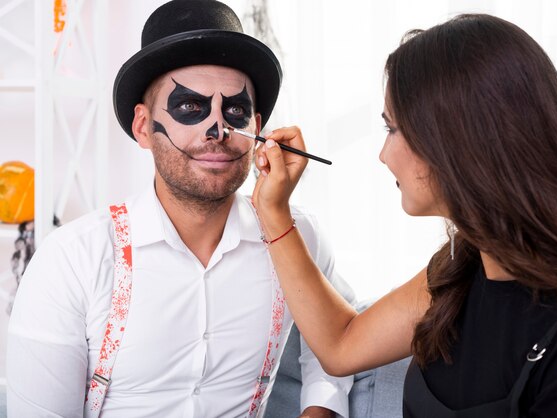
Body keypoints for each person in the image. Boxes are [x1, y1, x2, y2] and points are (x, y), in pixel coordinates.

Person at [251, 13, 557, 418]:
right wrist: (274, 210)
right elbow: (341, 345)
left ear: (454, 141)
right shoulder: (462, 266)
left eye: (391, 130)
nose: (382, 155)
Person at [6, 1, 355, 417]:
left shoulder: (297, 238)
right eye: (190, 107)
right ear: (142, 127)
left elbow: (336, 352)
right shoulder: (73, 260)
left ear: (258, 130)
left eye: (236, 111)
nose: (218, 130)